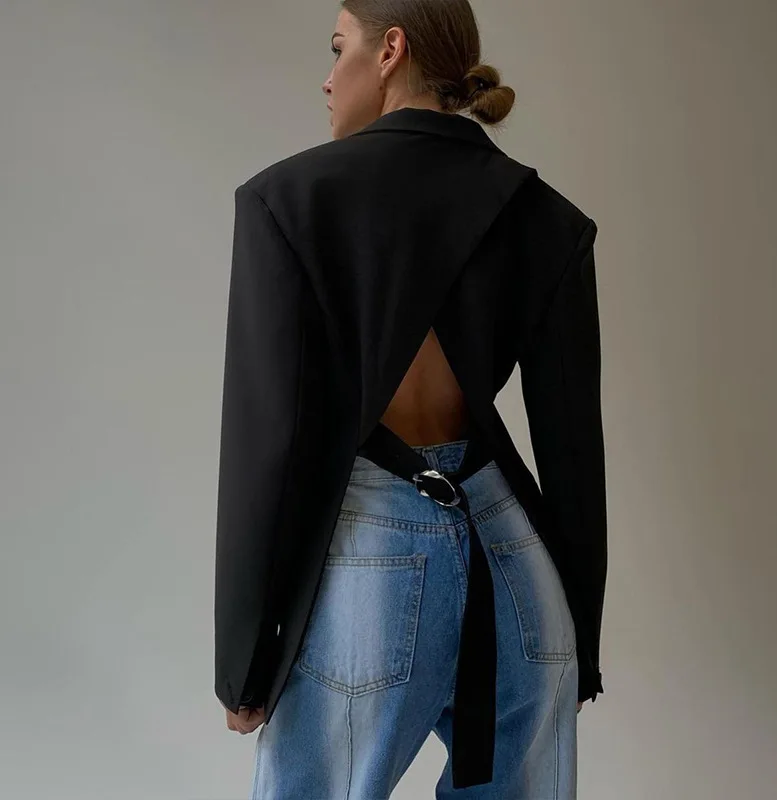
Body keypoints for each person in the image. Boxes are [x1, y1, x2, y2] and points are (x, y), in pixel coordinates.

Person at [214, 1, 607, 797]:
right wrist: (583, 646)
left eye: (339, 48)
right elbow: (573, 452)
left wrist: (243, 663)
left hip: (372, 562)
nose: (328, 78)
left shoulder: (287, 200)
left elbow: (267, 449)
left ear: (390, 49)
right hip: (518, 568)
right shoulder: (547, 216)